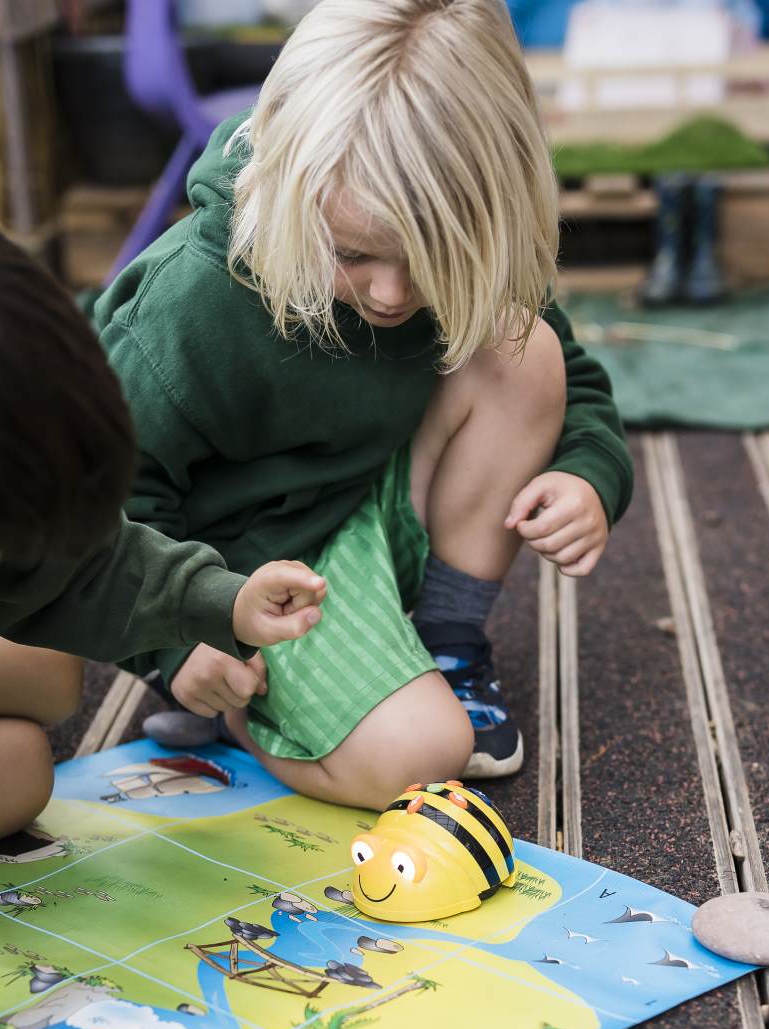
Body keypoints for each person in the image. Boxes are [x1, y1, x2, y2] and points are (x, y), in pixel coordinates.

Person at [0, 201, 326, 1029]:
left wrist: (220, 602)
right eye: (5, 532)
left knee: (23, 752)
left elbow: (86, 564)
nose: (30, 544)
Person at [96, 0, 633, 803]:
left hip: (369, 501)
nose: (391, 293)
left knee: (520, 346)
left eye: (430, 257)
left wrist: (588, 474)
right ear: (288, 185)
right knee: (422, 756)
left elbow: (569, 375)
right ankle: (235, 706)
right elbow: (105, 503)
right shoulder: (187, 305)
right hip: (249, 576)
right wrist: (180, 644)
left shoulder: (465, 241)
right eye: (351, 255)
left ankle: (449, 644)